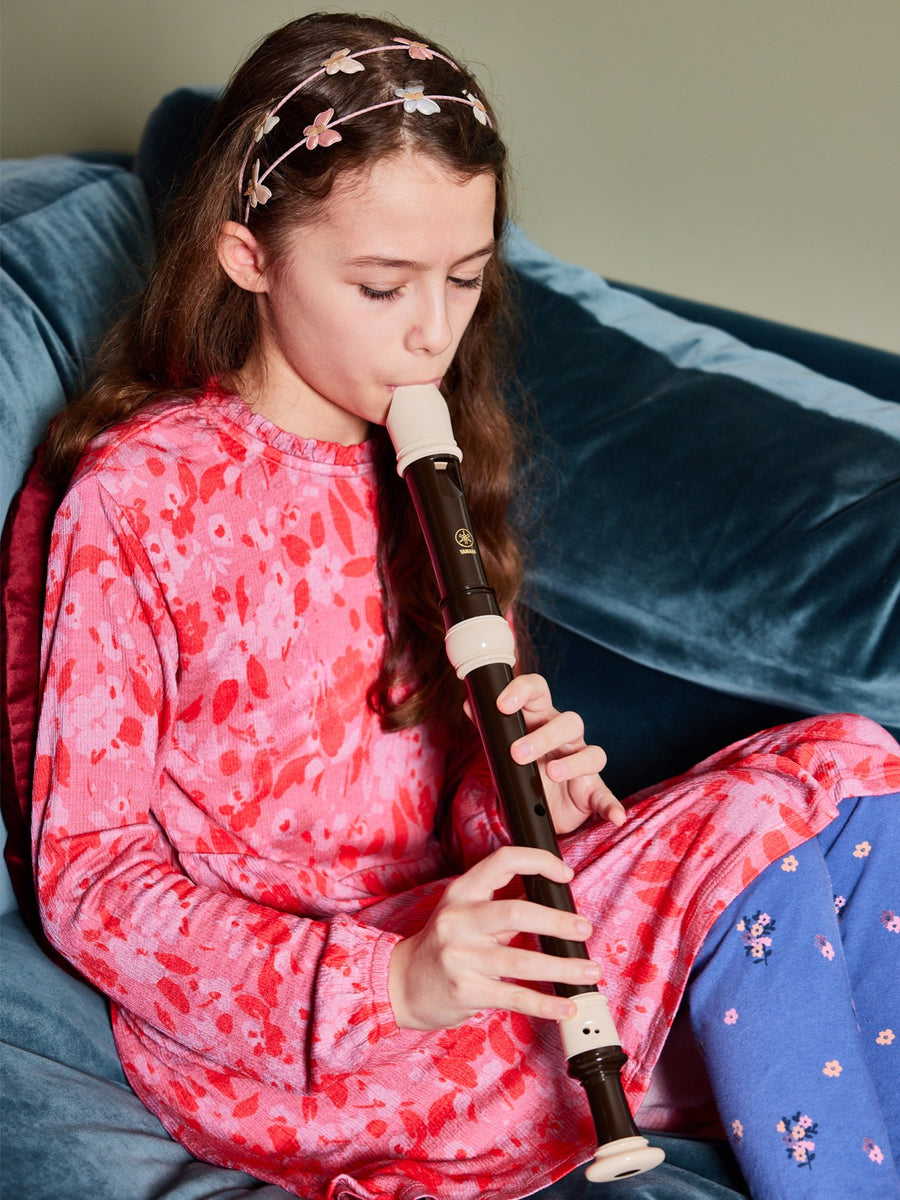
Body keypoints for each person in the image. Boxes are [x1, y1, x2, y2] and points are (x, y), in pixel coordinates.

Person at [31, 12, 899, 1200]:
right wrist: (390, 980)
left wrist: (521, 794)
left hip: (463, 968)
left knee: (858, 782)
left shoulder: (418, 461)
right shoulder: (141, 494)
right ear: (247, 256)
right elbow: (92, 879)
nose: (434, 333)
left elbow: (438, 827)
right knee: (784, 812)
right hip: (297, 1056)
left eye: (466, 279)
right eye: (383, 287)